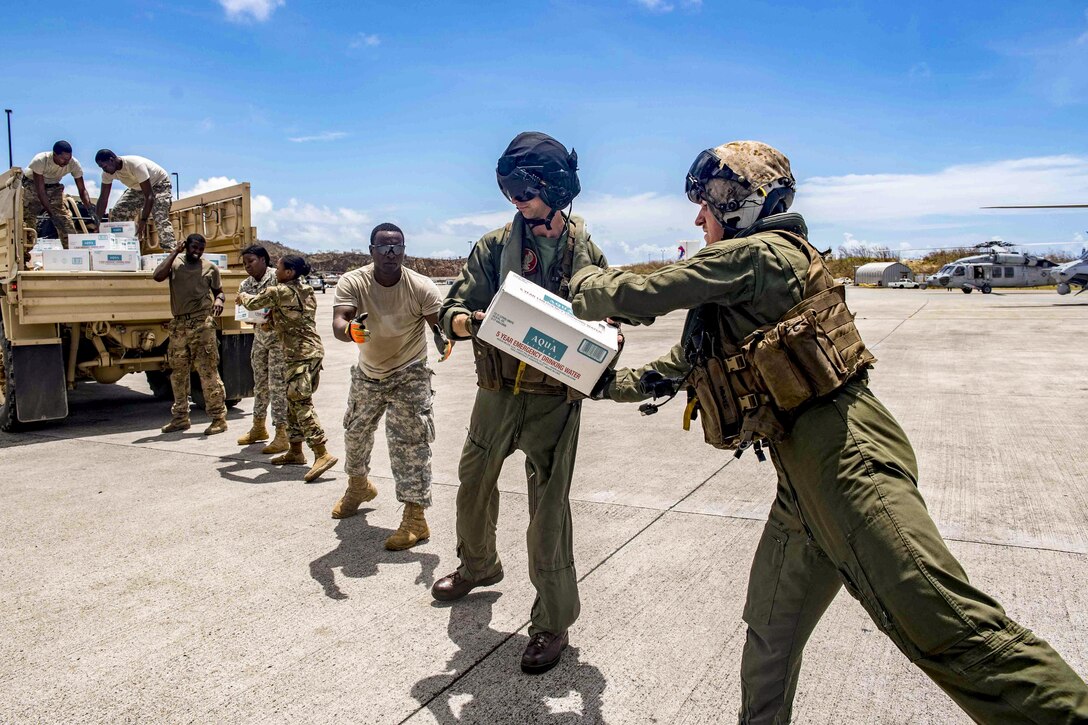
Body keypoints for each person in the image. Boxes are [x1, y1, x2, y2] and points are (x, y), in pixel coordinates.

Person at [568, 141, 1088, 723]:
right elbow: (681, 365)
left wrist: (578, 274)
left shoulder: (763, 255)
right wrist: (601, 383)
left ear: (736, 204)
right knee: (771, 630)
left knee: (951, 630)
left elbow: (638, 293)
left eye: (704, 205)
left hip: (848, 463)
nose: (697, 219)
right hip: (802, 476)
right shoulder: (748, 278)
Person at [432, 132, 608, 675]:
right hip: (496, 395)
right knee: (472, 487)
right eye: (507, 187)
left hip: (554, 402)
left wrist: (609, 334)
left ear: (556, 187)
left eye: (524, 188)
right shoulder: (491, 248)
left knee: (548, 516)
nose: (515, 199)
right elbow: (452, 308)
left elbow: (605, 311)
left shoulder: (586, 253)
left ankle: (552, 621)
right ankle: (478, 566)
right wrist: (466, 322)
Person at [329, 222, 446, 551]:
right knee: (355, 432)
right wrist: (350, 329)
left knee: (410, 443)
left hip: (409, 372)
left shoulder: (421, 286)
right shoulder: (354, 281)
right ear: (372, 251)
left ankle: (415, 519)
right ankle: (358, 486)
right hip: (369, 372)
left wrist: (444, 340)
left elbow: (438, 326)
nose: (391, 252)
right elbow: (340, 321)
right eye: (384, 247)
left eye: (397, 247)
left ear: (404, 250)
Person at [237, 255, 337, 483]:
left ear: (289, 272)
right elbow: (294, 318)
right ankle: (295, 450)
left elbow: (252, 303)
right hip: (311, 352)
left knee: (300, 402)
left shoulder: (277, 291)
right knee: (292, 401)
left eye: (279, 268)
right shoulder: (307, 291)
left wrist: (241, 295)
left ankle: (321, 453)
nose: (276, 271)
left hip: (299, 355)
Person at [152, 233, 228, 435]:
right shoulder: (175, 263)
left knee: (207, 372)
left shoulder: (210, 268)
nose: (197, 252)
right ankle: (180, 418)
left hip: (201, 323)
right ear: (186, 246)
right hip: (178, 325)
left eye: (201, 249)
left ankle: (218, 418)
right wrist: (174, 252)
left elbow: (219, 291)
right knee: (177, 373)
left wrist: (219, 300)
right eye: (194, 247)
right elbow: (157, 276)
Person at [236, 244, 289, 454]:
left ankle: (282, 434)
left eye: (251, 261)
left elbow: (289, 306)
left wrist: (272, 318)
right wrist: (249, 318)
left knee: (277, 386)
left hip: (278, 341)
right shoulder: (245, 285)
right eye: (245, 263)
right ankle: (259, 427)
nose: (247, 266)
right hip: (259, 340)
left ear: (263, 260)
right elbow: (244, 311)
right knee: (260, 384)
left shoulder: (277, 279)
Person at [94, 149, 176, 251]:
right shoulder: (107, 174)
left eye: (104, 167)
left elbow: (149, 196)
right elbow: (103, 198)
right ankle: (123, 250)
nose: (104, 170)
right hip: (137, 187)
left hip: (159, 184)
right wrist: (97, 223)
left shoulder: (135, 165)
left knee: (160, 217)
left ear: (111, 160)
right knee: (118, 213)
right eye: (101, 168)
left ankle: (171, 252)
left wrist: (142, 222)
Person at [22, 141, 93, 247]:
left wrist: (90, 209)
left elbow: (82, 190)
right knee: (28, 220)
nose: (66, 162)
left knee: (64, 220)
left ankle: (73, 253)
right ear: (54, 154)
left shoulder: (73, 163)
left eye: (68, 159)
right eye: (63, 159)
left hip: (54, 186)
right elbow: (41, 191)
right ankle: (24, 257)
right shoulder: (41, 160)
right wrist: (51, 213)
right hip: (33, 185)